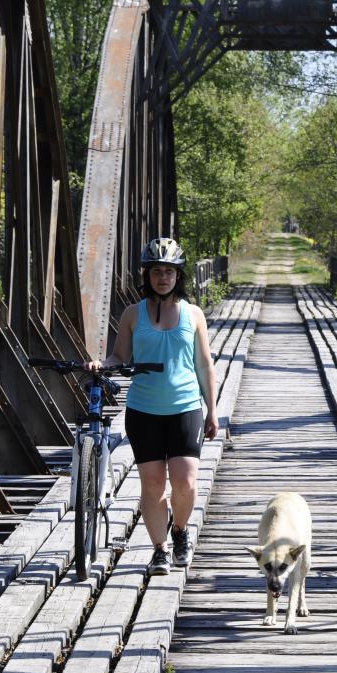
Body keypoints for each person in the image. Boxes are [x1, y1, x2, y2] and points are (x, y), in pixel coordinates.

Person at [90, 237, 219, 576]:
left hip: (185, 406)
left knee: (186, 482)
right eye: (157, 271)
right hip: (144, 409)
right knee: (151, 483)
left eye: (170, 271)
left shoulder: (193, 314)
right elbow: (120, 356)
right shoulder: (133, 314)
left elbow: (205, 365)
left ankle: (180, 531)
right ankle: (160, 548)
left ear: (179, 275)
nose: (163, 277)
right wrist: (101, 365)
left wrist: (213, 411)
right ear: (146, 275)